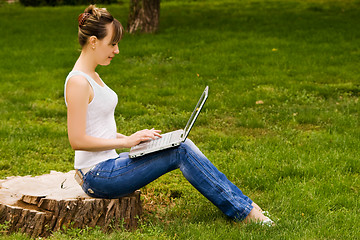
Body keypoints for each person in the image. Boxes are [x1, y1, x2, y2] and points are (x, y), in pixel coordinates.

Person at [64, 5, 274, 226]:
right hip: (97, 177)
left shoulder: (92, 75)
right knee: (180, 150)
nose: (117, 50)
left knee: (177, 142)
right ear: (94, 41)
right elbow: (77, 140)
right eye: (112, 44)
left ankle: (243, 205)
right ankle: (245, 212)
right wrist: (126, 142)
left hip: (109, 165)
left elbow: (96, 128)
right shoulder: (78, 82)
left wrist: (133, 139)